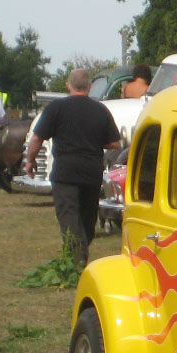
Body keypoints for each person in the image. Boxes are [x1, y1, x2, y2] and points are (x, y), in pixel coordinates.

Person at [25, 68, 121, 266]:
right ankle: (80, 253)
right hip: (91, 171)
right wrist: (94, 140)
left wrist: (30, 161)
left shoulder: (56, 108)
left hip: (65, 171)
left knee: (68, 213)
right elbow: (115, 144)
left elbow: (37, 138)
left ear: (68, 85)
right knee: (87, 216)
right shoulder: (100, 109)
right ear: (90, 86)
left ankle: (77, 257)